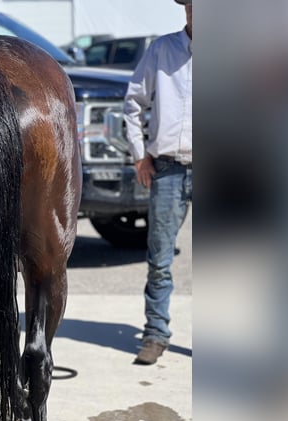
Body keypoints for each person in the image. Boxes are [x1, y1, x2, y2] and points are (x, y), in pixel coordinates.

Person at [124, 0, 192, 365]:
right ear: (187, 9)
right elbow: (133, 102)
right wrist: (139, 154)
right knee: (160, 258)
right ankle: (155, 334)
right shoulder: (163, 50)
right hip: (168, 168)